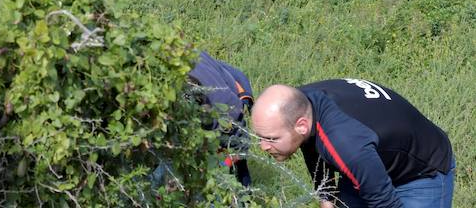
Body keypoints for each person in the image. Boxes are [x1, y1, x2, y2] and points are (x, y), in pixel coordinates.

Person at [251, 80, 455, 208]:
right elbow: (313, 146)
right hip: (369, 161)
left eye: (271, 139)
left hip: (421, 172)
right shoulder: (300, 103)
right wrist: (326, 198)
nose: (263, 146)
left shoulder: (346, 144)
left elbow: (385, 203)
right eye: (260, 137)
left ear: (301, 125)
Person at [188, 52, 254, 187]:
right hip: (205, 68)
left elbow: (240, 148)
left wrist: (222, 166)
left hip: (231, 85)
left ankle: (245, 192)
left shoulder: (227, 108)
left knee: (236, 169)